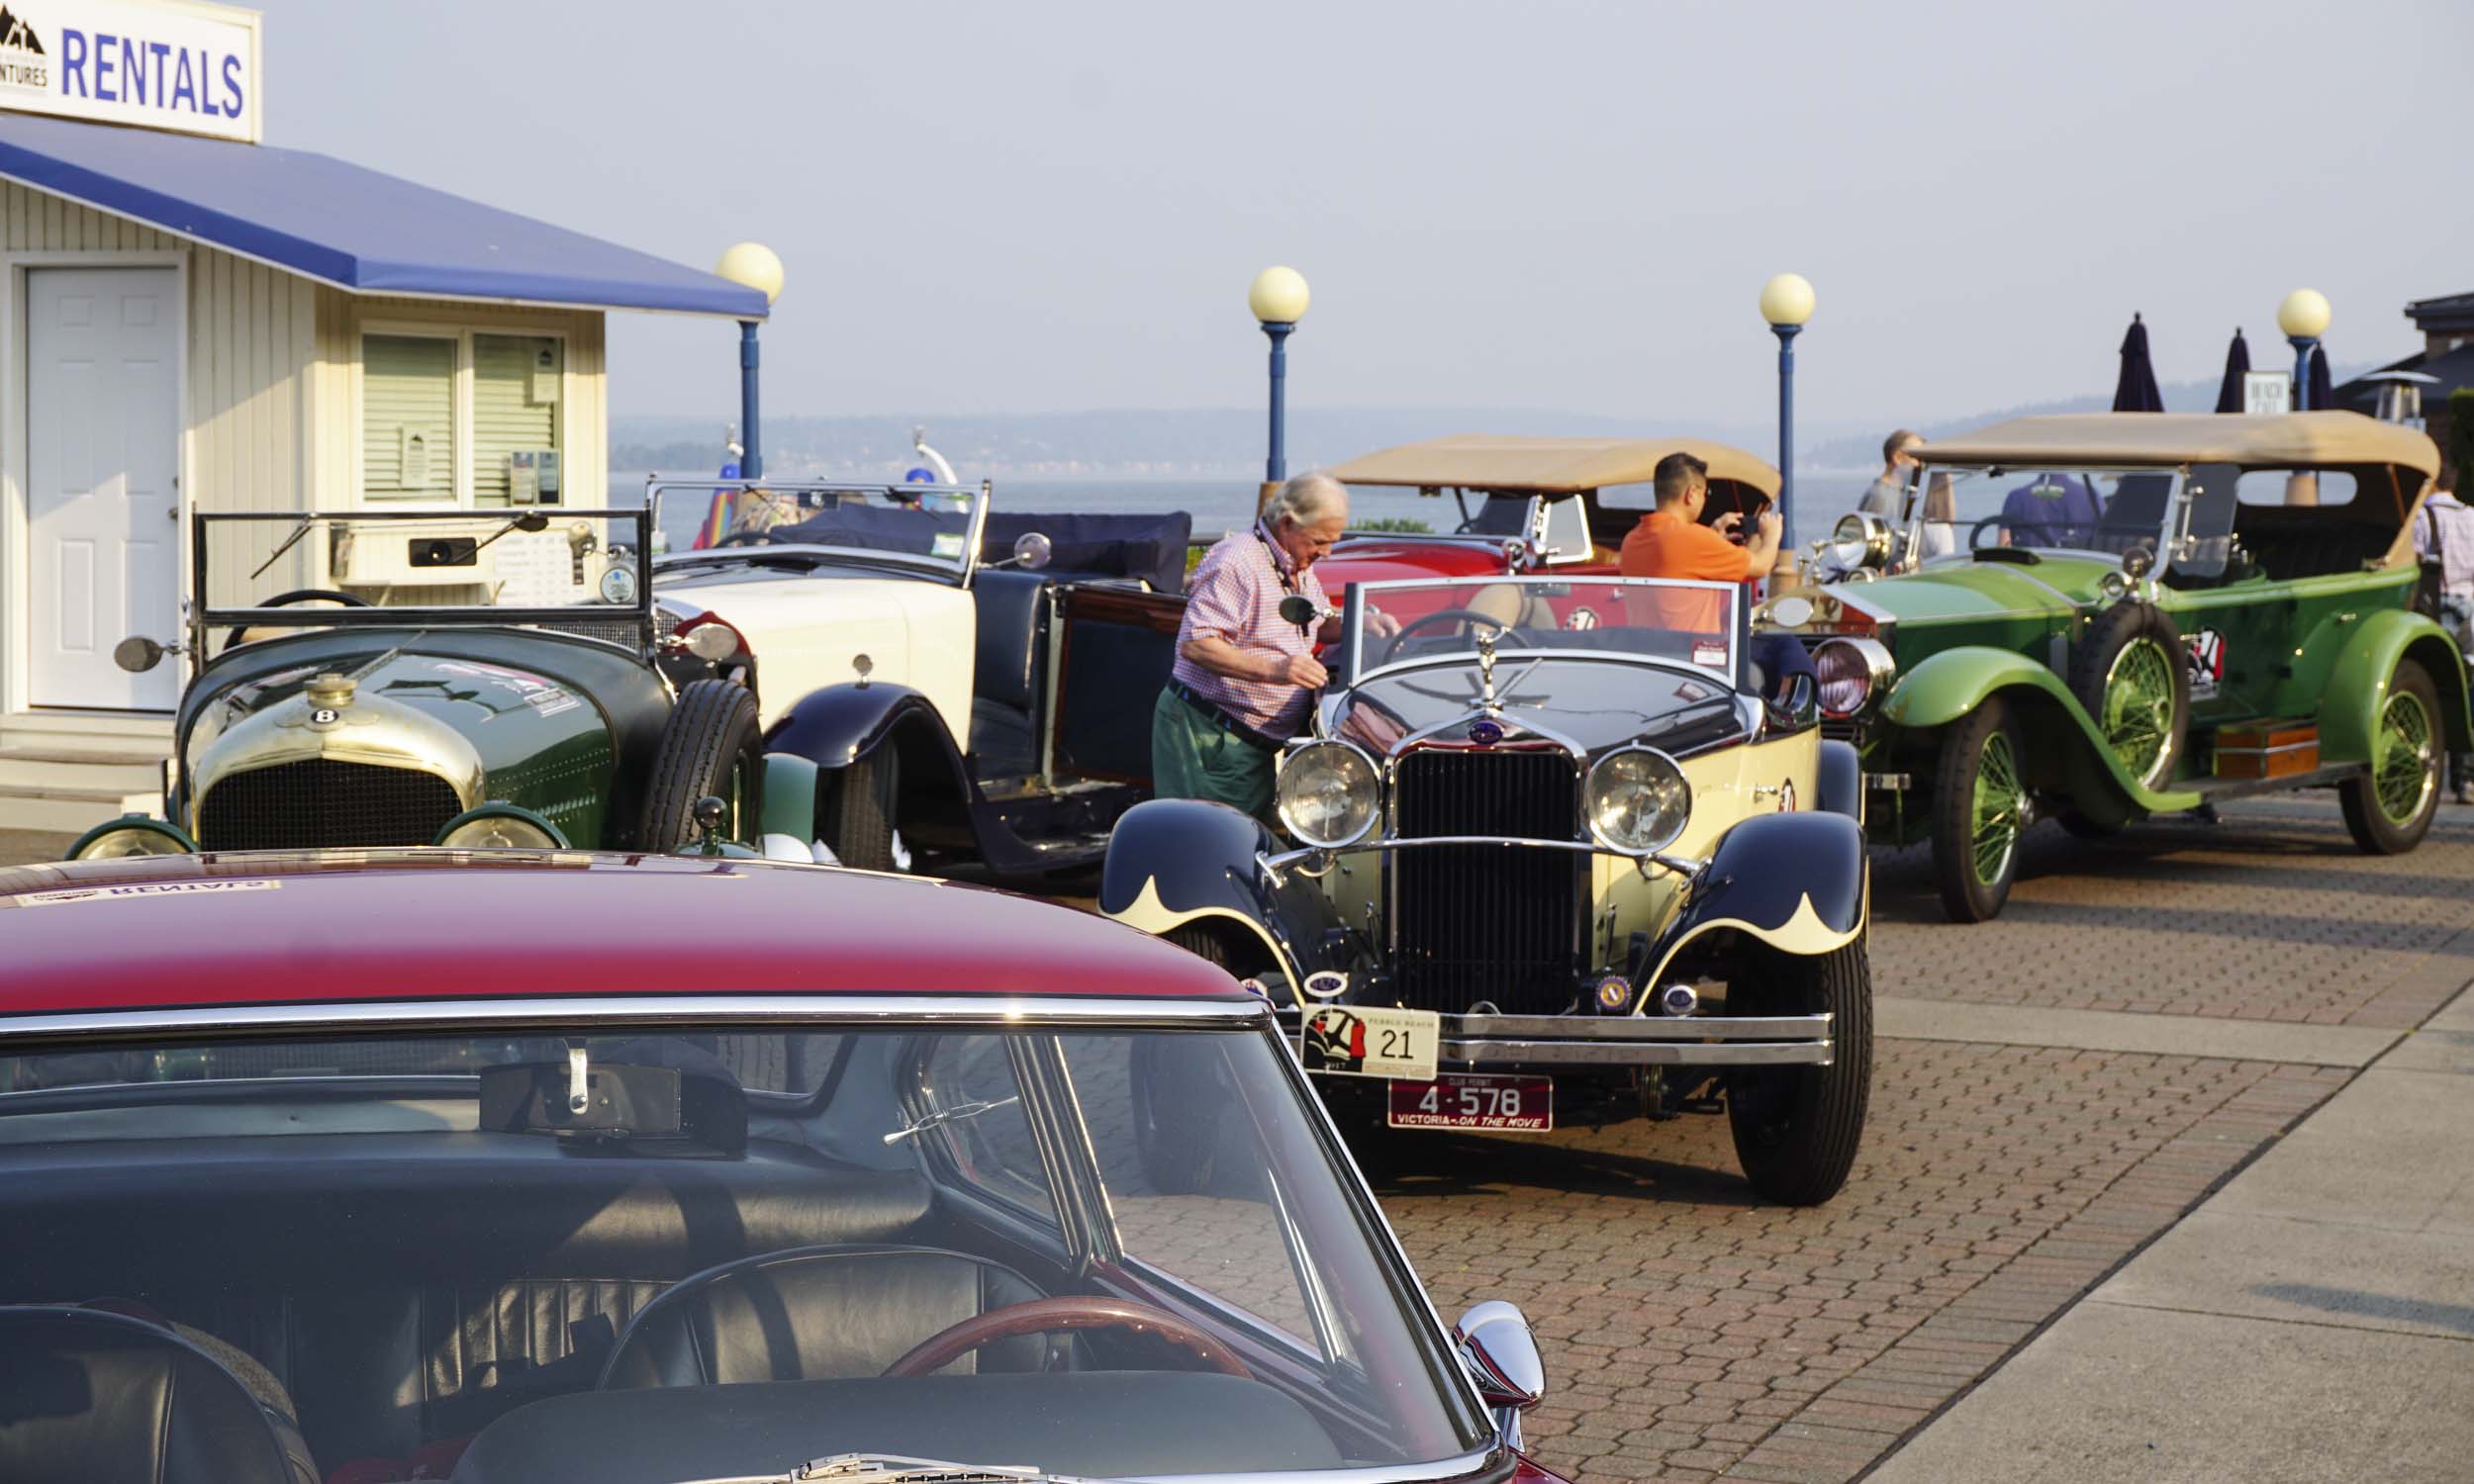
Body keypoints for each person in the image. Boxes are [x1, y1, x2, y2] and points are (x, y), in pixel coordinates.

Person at [1153, 473, 1395, 820]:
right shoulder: (1236, 561)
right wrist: (1280, 670)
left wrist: (1362, 624)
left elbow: (1315, 622)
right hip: (1213, 735)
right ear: (1287, 523)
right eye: (1318, 541)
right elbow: (1197, 643)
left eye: (1331, 542)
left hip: (1248, 740)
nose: (1325, 552)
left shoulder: (1295, 564)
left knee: (1248, 845)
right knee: (1213, 845)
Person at [1618, 451, 1812, 692]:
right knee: (1786, 645)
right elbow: (1760, 566)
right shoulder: (1692, 539)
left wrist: (1713, 536)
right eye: (1705, 493)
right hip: (1698, 661)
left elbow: (1679, 565)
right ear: (1691, 493)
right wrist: (1772, 536)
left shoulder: (1632, 540)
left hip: (1649, 657)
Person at [2413, 464, 2474, 802]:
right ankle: (2465, 778)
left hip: (2438, 605)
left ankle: (2429, 768)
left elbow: (2416, 560)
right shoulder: (2472, 516)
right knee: (2469, 687)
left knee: (2433, 686)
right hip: (2471, 605)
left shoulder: (2423, 517)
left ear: (2433, 483)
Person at [1998, 472, 2102, 547]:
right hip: (2081, 569)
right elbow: (2106, 539)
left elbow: (2003, 547)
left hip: (2030, 571)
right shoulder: (2090, 495)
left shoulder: (2016, 497)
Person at [1859, 429, 1923, 516]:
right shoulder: (1879, 496)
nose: (1920, 464)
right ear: (1898, 457)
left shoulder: (1900, 492)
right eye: (1918, 458)